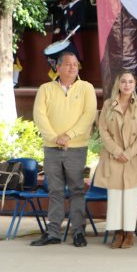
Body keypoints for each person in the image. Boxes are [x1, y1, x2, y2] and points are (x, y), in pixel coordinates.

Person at [31, 52, 97, 247]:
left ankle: (78, 232)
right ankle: (53, 233)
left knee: (77, 190)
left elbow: (89, 115)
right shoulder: (45, 89)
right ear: (57, 68)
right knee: (55, 190)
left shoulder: (86, 88)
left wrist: (68, 136)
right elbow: (39, 115)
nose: (72, 68)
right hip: (52, 148)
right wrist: (55, 138)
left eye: (75, 65)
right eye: (68, 65)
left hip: (76, 148)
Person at [93, 70, 137, 249]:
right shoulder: (108, 104)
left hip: (134, 158)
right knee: (115, 196)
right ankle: (117, 232)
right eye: (123, 82)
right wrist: (116, 150)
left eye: (130, 82)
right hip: (113, 157)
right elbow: (103, 130)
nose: (127, 85)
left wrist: (128, 153)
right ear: (118, 84)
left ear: (134, 84)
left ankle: (129, 232)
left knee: (131, 196)